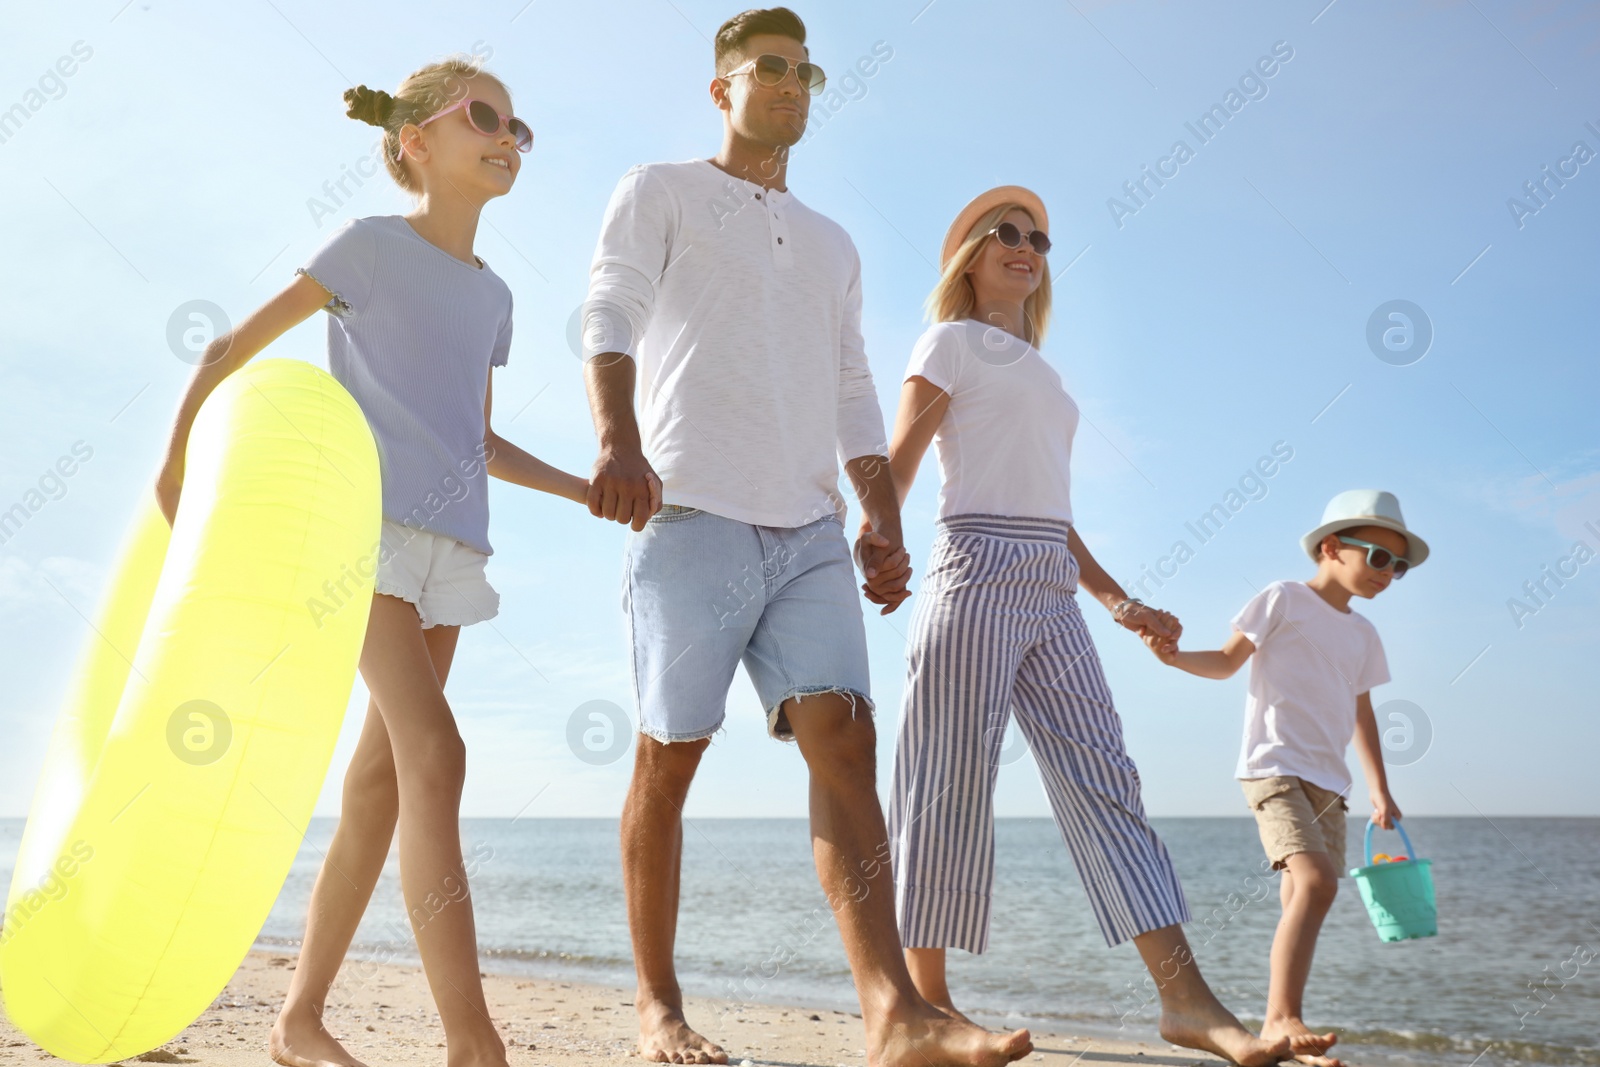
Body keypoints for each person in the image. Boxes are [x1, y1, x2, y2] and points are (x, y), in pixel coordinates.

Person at [578, 9, 1031, 1067]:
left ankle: (892, 1011)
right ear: (721, 88)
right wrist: (616, 441)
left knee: (846, 738)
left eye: (803, 71)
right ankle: (658, 1007)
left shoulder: (832, 240)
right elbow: (608, 308)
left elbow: (852, 384)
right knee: (671, 756)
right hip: (686, 510)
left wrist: (878, 512)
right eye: (766, 68)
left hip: (809, 526)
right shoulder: (659, 187)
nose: (788, 84)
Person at [155, 57, 588, 1067]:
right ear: (414, 140)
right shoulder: (370, 248)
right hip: (361, 539)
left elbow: (475, 441)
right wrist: (174, 466)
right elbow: (228, 348)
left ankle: (298, 1018)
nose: (506, 136)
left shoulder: (496, 300)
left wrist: (582, 489)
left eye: (519, 127)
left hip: (452, 549)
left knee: (382, 783)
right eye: (485, 115)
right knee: (438, 755)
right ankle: (471, 1037)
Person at [882, 186, 1303, 1067]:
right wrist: (878, 537)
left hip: (1050, 581)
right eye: (1006, 232)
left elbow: (1055, 511)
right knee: (946, 784)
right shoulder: (947, 342)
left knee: (1107, 778)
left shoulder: (1045, 372)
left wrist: (1115, 600)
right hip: (974, 567)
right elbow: (902, 462)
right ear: (967, 254)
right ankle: (927, 1008)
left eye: (1038, 237)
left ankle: (1186, 1002)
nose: (1027, 245)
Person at [1146, 488, 1424, 1067]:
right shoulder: (1283, 600)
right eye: (1378, 558)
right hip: (1273, 767)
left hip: (1331, 782)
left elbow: (1361, 714)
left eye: (1397, 567)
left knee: (1304, 893)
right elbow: (1225, 663)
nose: (1388, 575)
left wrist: (1379, 787)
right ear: (1331, 548)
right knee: (1317, 880)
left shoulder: (1364, 635)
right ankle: (1283, 1017)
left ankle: (1281, 1030)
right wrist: (1174, 657)